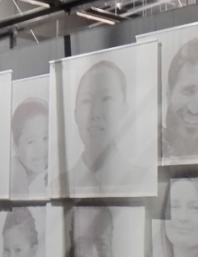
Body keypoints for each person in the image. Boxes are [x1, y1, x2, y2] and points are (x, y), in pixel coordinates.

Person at [57, 61, 148, 195]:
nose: (95, 113)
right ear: (75, 114)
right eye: (86, 101)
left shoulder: (145, 181)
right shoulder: (57, 186)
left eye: (106, 99)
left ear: (124, 109)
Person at [10, 97, 49, 197]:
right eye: (30, 142)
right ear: (16, 147)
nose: (40, 148)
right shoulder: (15, 174)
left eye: (45, 138)